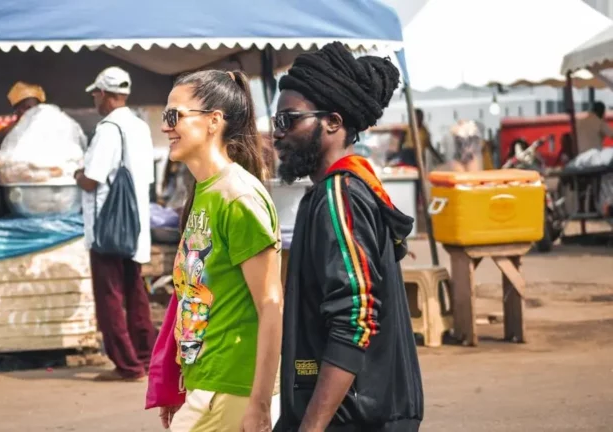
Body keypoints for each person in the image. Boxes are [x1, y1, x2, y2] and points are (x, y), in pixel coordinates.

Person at [272, 42, 423, 432]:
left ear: (333, 122)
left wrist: (311, 426)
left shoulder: (340, 195)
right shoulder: (345, 189)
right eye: (276, 123)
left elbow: (355, 319)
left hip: (352, 419)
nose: (278, 135)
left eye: (289, 120)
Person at [159, 70, 283, 432]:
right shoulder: (205, 192)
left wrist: (259, 405)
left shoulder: (238, 196)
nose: (167, 127)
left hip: (233, 389)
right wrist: (180, 384)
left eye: (174, 116)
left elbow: (271, 306)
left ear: (214, 121)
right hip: (206, 385)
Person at [74, 66, 156, 382]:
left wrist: (76, 175)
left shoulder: (108, 129)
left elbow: (92, 180)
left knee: (109, 296)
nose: (95, 98)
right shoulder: (139, 127)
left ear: (106, 95)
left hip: (108, 227)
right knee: (136, 293)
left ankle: (127, 365)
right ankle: (146, 358)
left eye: (96, 93)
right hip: (135, 225)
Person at [0, 81, 47, 151]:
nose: (31, 112)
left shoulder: (46, 130)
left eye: (35, 108)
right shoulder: (5, 133)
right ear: (16, 110)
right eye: (27, 108)